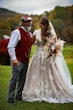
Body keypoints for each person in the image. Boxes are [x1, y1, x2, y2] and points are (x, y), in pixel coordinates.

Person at [22, 16, 73, 103]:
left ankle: (51, 91)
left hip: (48, 57)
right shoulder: (36, 32)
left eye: (41, 23)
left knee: (49, 74)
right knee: (36, 73)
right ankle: (36, 91)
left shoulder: (51, 33)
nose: (40, 25)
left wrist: (53, 50)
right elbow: (29, 43)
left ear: (45, 24)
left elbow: (55, 45)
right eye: (40, 23)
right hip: (37, 57)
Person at [7, 16, 32, 104]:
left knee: (22, 79)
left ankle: (19, 96)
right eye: (27, 22)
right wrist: (14, 59)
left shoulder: (29, 33)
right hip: (18, 59)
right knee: (14, 79)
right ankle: (10, 98)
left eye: (29, 21)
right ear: (22, 22)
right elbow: (10, 46)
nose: (29, 23)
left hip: (25, 59)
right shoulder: (17, 32)